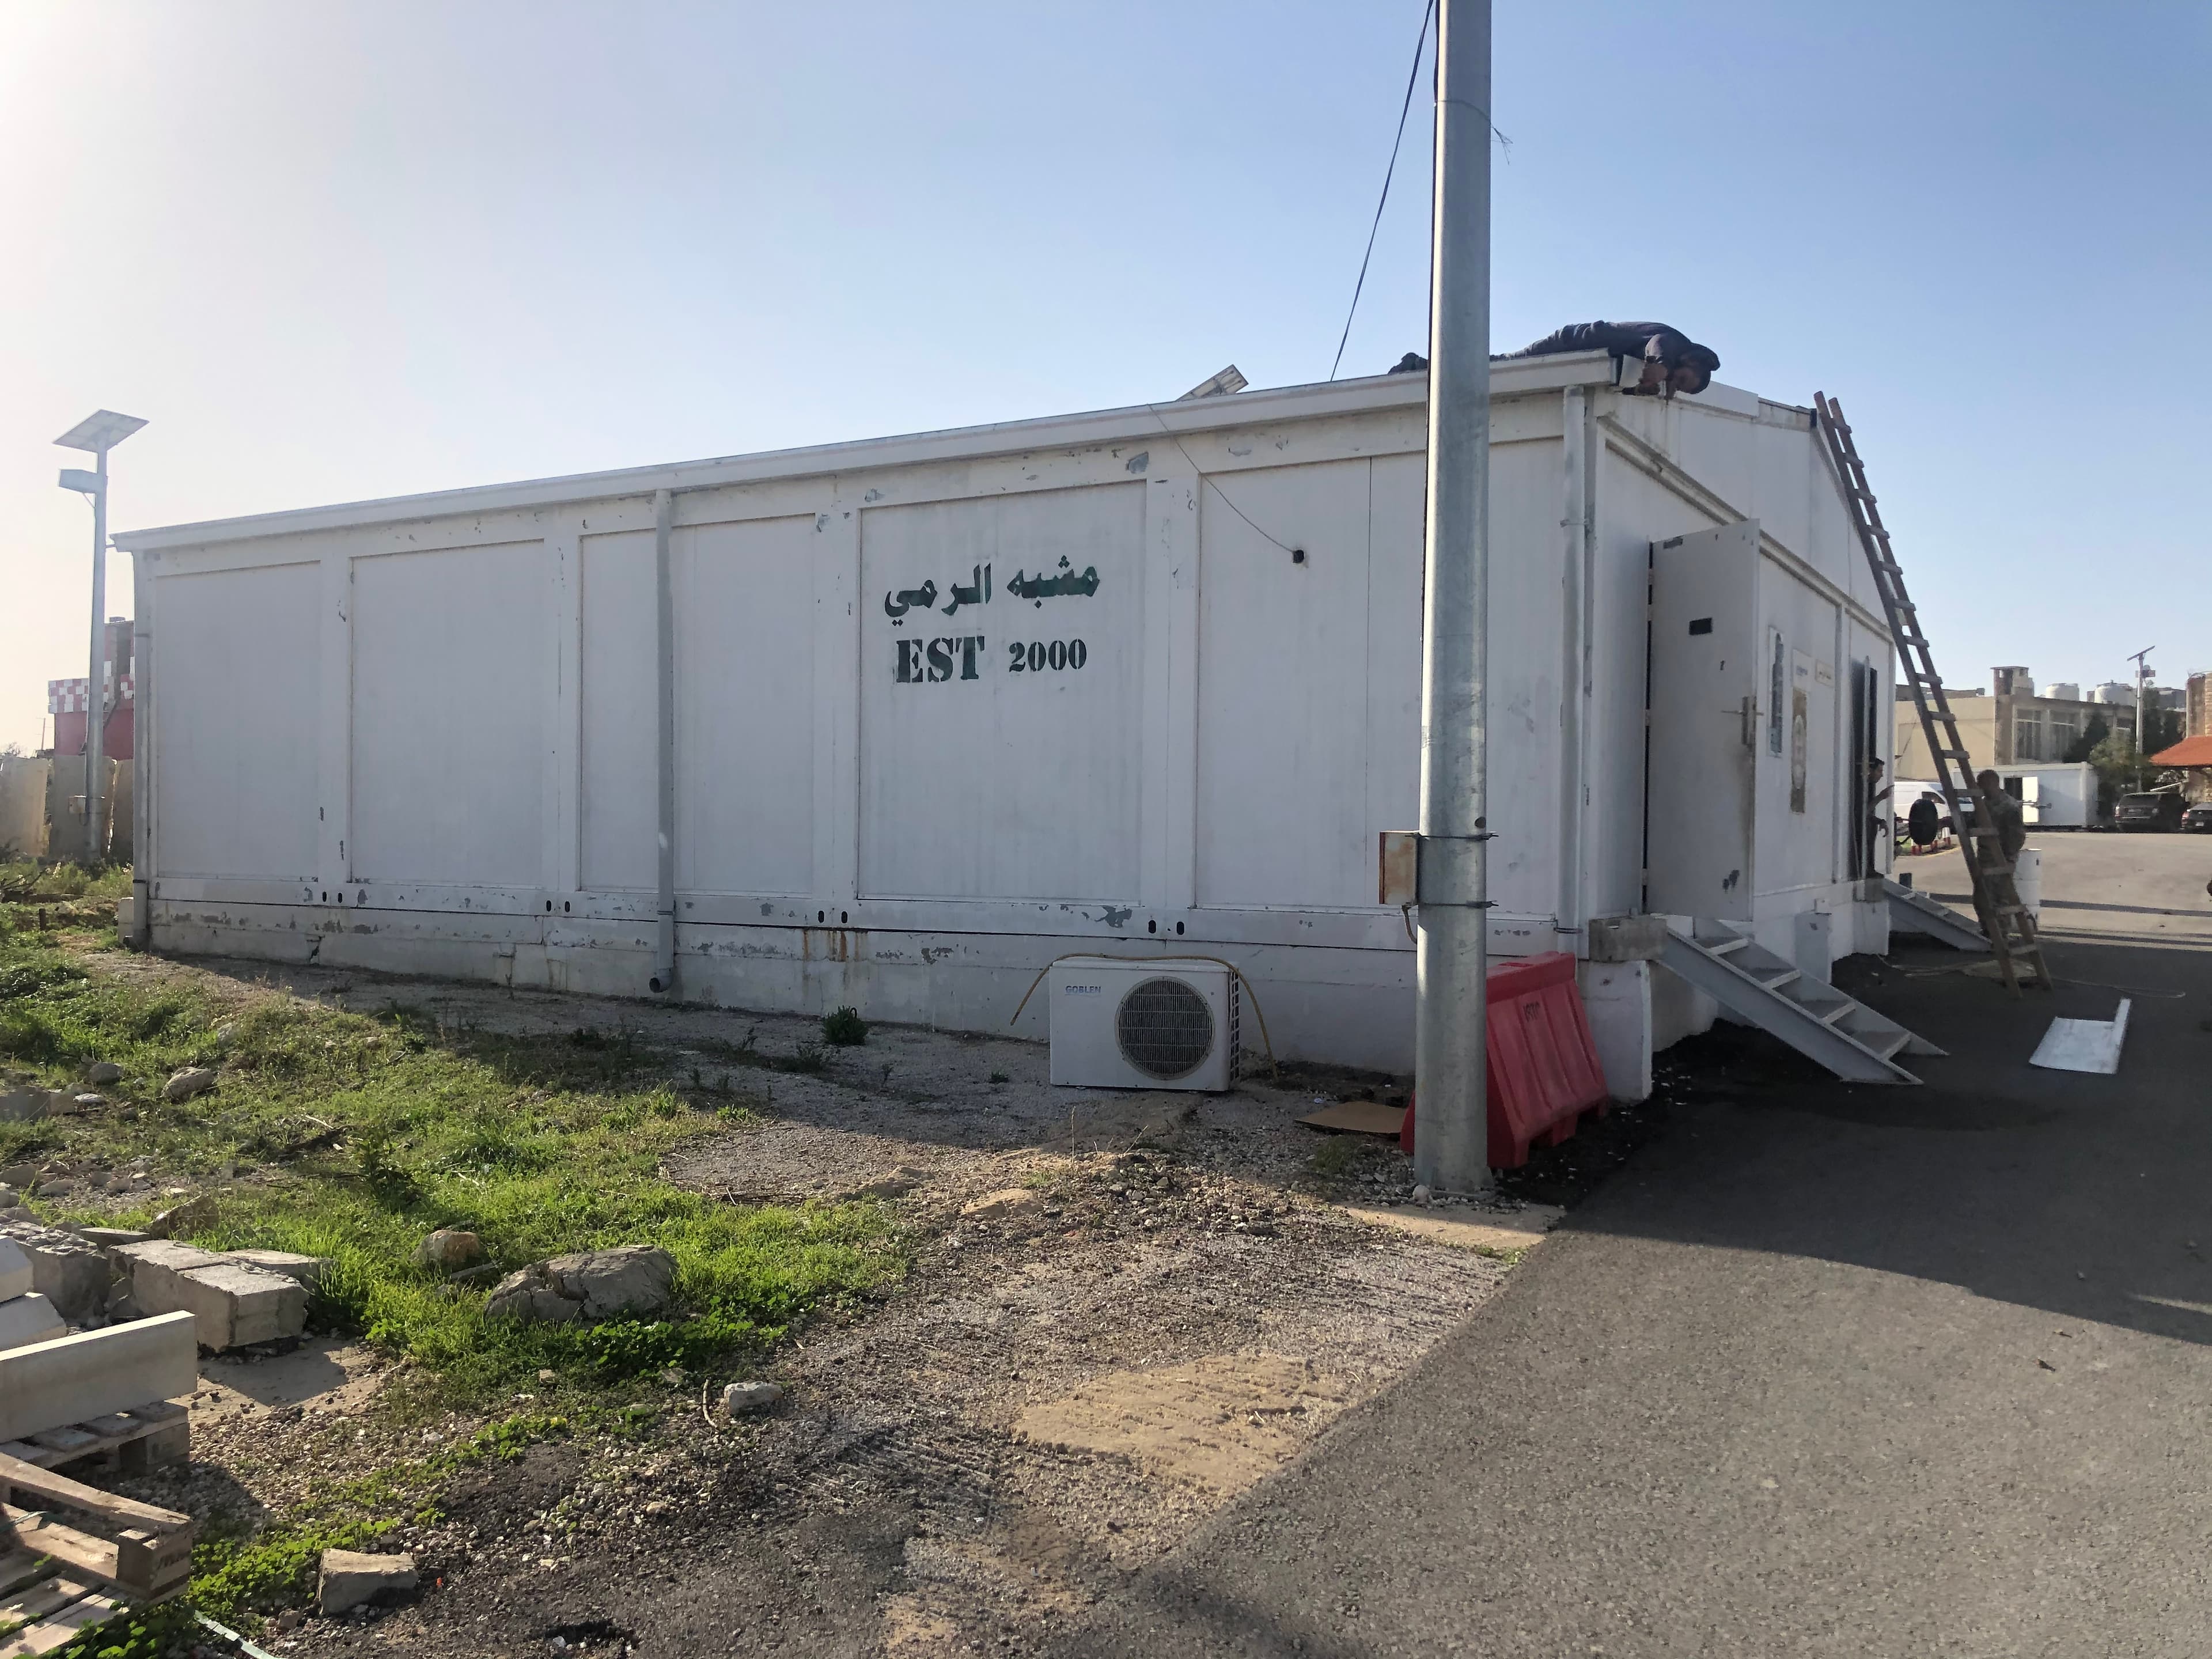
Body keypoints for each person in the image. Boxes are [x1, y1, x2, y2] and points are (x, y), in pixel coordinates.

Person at [1505, 321, 1721, 397]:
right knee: (1508, 364)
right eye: (1681, 378)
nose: (1674, 381)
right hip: (1570, 342)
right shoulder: (1675, 342)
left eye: (1680, 386)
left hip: (1577, 358)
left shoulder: (1675, 355)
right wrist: (1660, 366)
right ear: (1690, 361)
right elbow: (1658, 344)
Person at [1976, 770, 2028, 864]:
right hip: (1984, 858)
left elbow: (2017, 836)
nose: (1979, 788)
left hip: (2002, 860)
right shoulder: (1984, 804)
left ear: (1992, 784)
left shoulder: (2009, 805)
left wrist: (2007, 858)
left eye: (1982, 784)